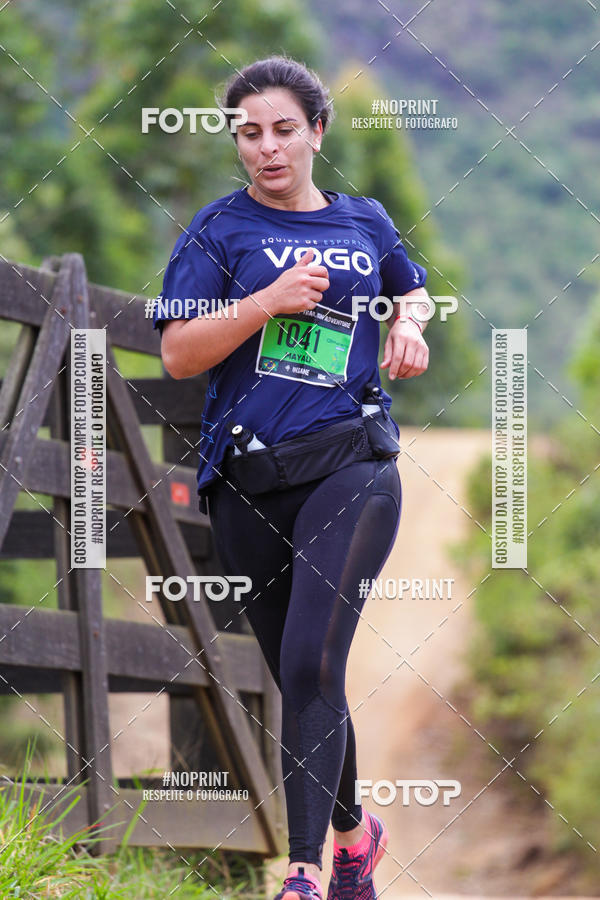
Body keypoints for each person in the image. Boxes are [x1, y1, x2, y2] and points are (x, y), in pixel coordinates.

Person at [154, 55, 431, 900]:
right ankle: (355, 837)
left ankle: (301, 873)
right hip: (245, 481)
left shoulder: (364, 222)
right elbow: (176, 355)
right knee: (295, 674)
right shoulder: (218, 232)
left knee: (313, 660)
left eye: (283, 130)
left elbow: (411, 288)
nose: (267, 149)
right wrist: (264, 303)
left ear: (316, 132)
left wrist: (410, 324)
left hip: (352, 463)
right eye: (249, 135)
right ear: (237, 143)